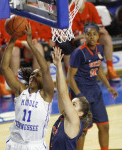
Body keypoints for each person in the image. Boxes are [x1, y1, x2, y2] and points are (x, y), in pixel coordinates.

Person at [1, 23, 54, 150]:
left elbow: (45, 69)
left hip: (34, 145)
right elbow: (4, 67)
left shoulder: (46, 96)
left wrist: (30, 43)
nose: (33, 76)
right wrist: (13, 39)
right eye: (32, 74)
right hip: (14, 143)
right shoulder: (21, 90)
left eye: (37, 75)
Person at [67, 22, 119, 150]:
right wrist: (79, 96)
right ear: (84, 35)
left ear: (98, 36)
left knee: (104, 126)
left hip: (95, 91)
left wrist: (108, 86)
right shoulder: (79, 53)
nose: (91, 37)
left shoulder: (100, 48)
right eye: (88, 34)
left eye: (94, 34)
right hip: (81, 92)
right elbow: (70, 77)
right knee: (83, 131)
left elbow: (99, 68)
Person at [49, 46, 92, 150]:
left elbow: (64, 94)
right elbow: (60, 91)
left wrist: (60, 66)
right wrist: (57, 66)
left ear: (80, 113)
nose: (69, 105)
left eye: (73, 104)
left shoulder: (74, 121)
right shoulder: (64, 115)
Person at [71, 0, 120, 81]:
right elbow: (76, 35)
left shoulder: (90, 6)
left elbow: (101, 27)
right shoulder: (71, 10)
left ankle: (110, 70)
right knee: (82, 41)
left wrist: (93, 32)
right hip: (81, 39)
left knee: (107, 38)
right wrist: (94, 31)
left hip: (92, 35)